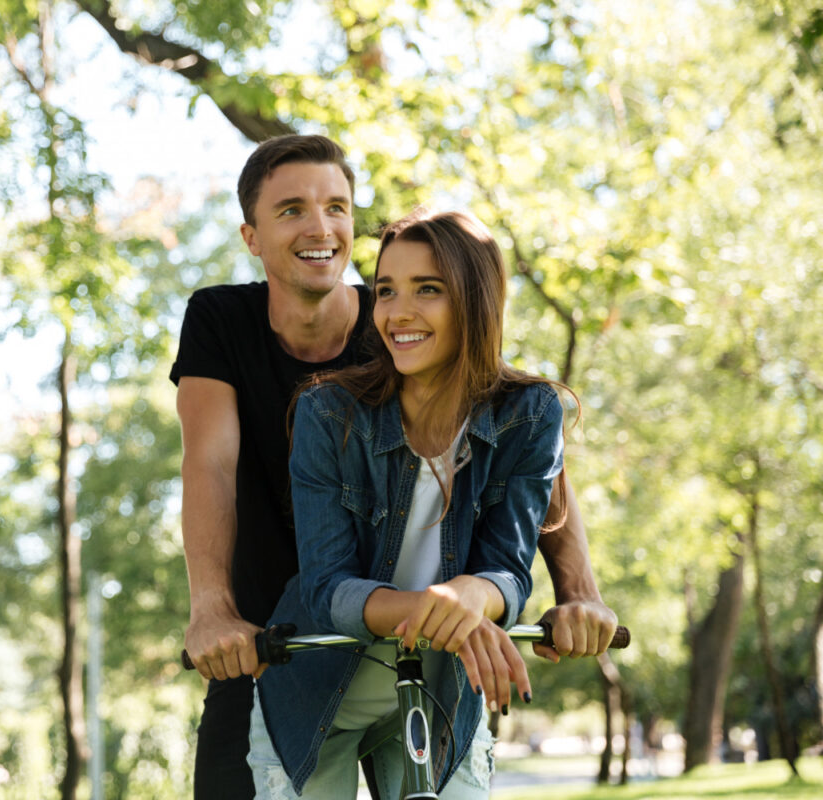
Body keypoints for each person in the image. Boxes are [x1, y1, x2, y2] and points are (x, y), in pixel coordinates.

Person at [169, 134, 615, 800]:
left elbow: (523, 452)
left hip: (430, 639)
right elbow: (209, 464)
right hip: (276, 634)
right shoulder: (229, 324)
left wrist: (575, 592)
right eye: (291, 209)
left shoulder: (404, 322)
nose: (320, 226)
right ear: (251, 235)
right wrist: (212, 609)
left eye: (337, 207)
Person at [249, 207, 566, 798]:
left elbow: (510, 567)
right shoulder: (329, 415)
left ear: (476, 300)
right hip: (319, 688)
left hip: (443, 688)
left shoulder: (532, 413)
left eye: (429, 290)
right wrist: (443, 610)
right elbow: (326, 587)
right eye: (387, 290)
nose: (398, 313)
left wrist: (475, 595)